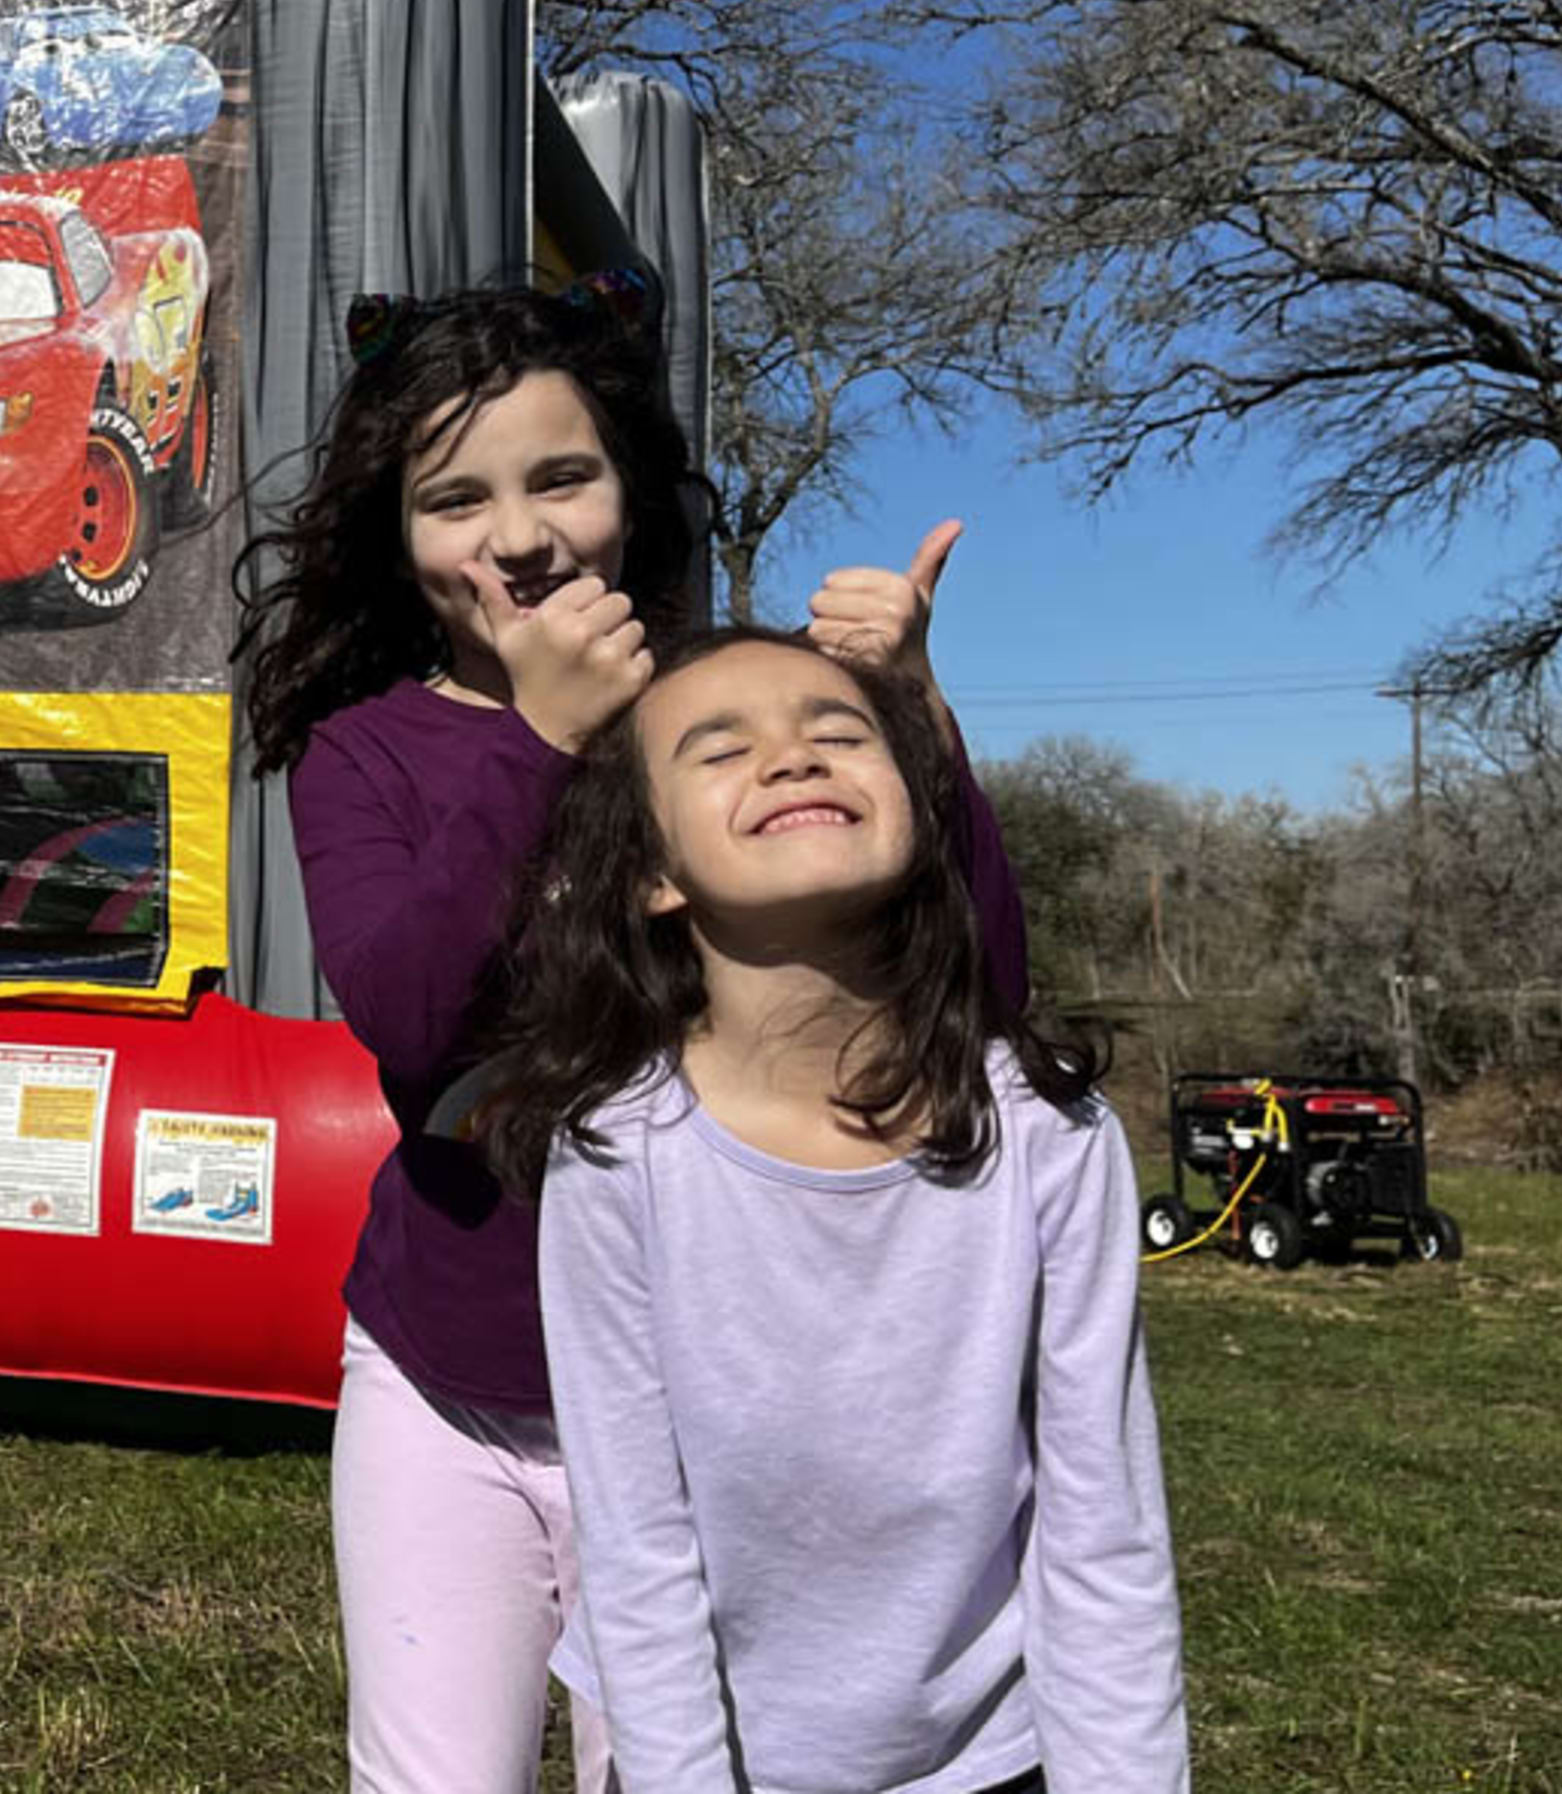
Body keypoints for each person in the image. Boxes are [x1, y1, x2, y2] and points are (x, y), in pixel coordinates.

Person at [237, 288, 1026, 1792]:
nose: (518, 537)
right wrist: (539, 741)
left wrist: (919, 718)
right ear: (396, 539)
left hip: (700, 1390)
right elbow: (405, 1013)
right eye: (454, 498)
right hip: (439, 1377)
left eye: (562, 478)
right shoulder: (365, 750)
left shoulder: (727, 710)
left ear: (633, 495)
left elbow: (970, 989)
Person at [487, 629, 1187, 1793]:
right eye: (722, 747)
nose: (793, 758)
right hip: (699, 1752)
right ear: (650, 872)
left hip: (985, 1760)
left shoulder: (1054, 1139)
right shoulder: (614, 1156)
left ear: (918, 814)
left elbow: (1102, 1531)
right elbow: (638, 1548)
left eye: (839, 732)